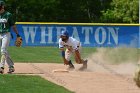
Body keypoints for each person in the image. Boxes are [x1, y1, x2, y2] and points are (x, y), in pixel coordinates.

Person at [0, 1, 21, 74]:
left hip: (6, 34)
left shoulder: (8, 15)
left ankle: (1, 67)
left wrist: (17, 34)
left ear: (2, 6)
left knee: (3, 50)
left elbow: (13, 26)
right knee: (5, 51)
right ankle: (11, 66)